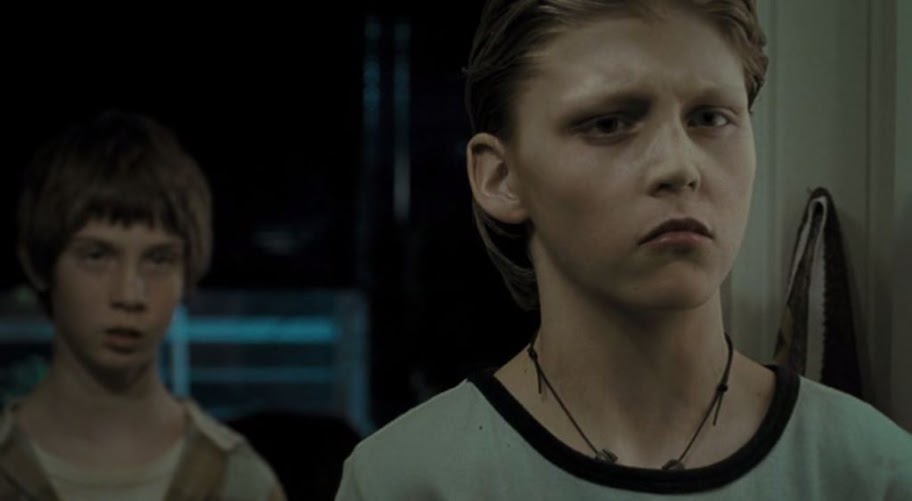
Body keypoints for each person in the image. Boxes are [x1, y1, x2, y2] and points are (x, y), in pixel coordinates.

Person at [335, 0, 912, 498]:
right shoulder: (408, 481)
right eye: (609, 124)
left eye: (711, 118)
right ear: (501, 177)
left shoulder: (871, 470)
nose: (679, 166)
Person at [0, 110, 286, 500]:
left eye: (158, 260)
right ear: (39, 265)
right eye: (97, 256)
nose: (129, 295)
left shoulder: (238, 482)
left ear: (188, 273)